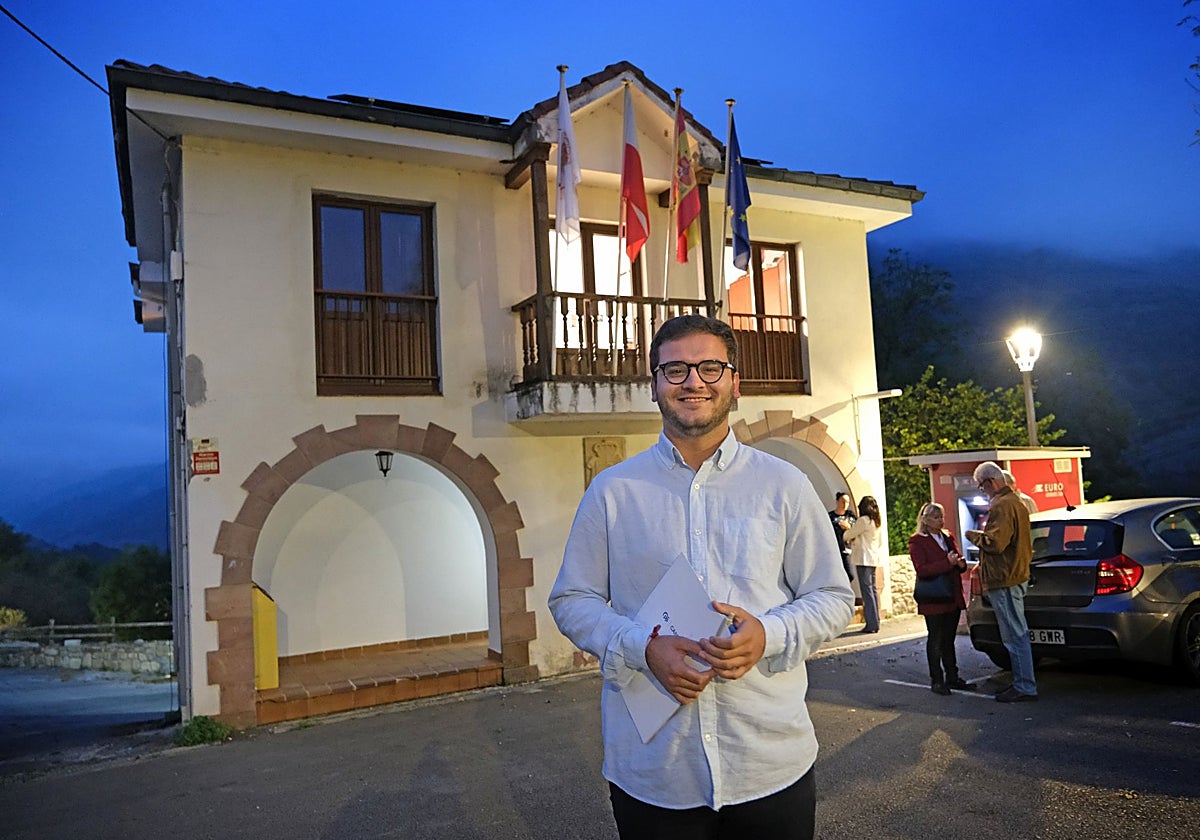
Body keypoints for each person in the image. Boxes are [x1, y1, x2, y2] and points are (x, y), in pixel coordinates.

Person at [548, 314, 855, 839]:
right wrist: (640, 646)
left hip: (768, 763)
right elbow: (572, 599)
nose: (694, 381)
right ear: (654, 385)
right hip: (654, 772)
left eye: (711, 367)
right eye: (676, 370)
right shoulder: (612, 491)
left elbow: (831, 596)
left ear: (735, 382)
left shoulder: (785, 485)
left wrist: (769, 635)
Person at [967, 461, 1038, 702]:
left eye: (981, 486)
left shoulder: (1002, 505)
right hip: (1015, 574)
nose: (982, 491)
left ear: (990, 482)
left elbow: (996, 543)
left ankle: (1024, 686)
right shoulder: (1017, 502)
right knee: (1018, 633)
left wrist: (974, 535)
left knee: (1013, 635)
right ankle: (1024, 683)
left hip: (1005, 578)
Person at [908, 502, 975, 695]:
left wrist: (960, 563)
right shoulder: (917, 541)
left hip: (951, 594)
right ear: (926, 520)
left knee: (949, 639)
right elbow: (922, 569)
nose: (940, 520)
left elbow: (957, 558)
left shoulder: (947, 537)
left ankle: (952, 676)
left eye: (941, 516)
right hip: (934, 596)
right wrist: (947, 563)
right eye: (936, 517)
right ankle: (937, 680)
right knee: (935, 638)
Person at [843, 495, 884, 634]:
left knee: (867, 591)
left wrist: (847, 528)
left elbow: (848, 535)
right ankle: (875, 620)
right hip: (873, 558)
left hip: (863, 558)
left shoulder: (863, 520)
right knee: (872, 590)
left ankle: (871, 623)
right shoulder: (876, 521)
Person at [829, 491, 857, 582]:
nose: (845, 504)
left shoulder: (851, 516)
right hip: (834, 549)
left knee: (849, 574)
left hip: (847, 549)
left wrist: (849, 528)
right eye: (843, 501)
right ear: (837, 501)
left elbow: (856, 530)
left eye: (847, 502)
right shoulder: (831, 516)